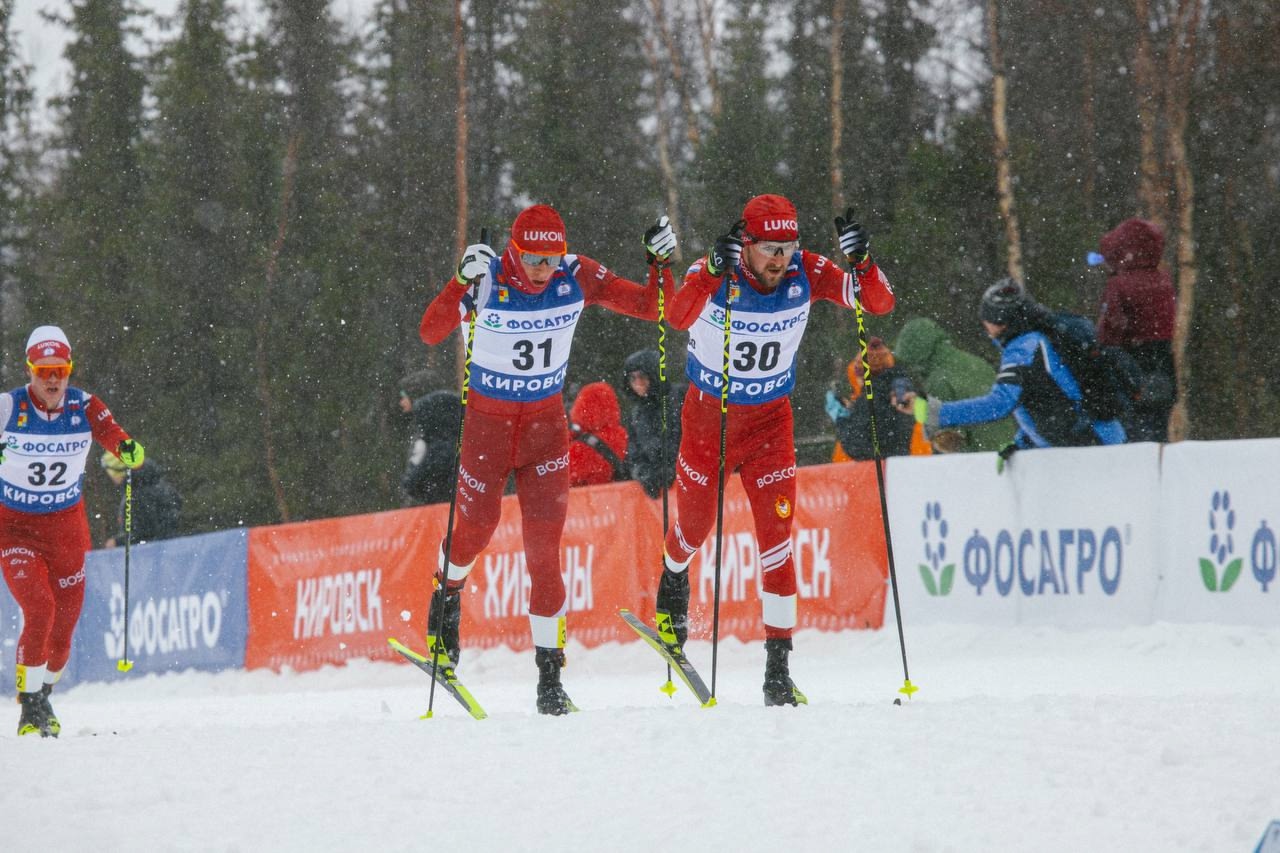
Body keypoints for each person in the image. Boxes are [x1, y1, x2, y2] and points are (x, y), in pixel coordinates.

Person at [417, 204, 676, 714]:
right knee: (475, 530)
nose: (542, 269)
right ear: (513, 250)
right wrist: (458, 283)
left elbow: (654, 307)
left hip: (544, 433)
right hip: (488, 433)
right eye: (533, 258)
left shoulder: (575, 273)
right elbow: (430, 331)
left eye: (551, 258)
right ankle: (445, 596)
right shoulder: (487, 277)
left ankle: (550, 678)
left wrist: (659, 263)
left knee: (545, 552)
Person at [653, 194, 894, 706]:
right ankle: (673, 580)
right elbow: (675, 316)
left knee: (777, 541)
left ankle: (778, 671)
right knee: (694, 527)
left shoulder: (808, 271)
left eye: (788, 247)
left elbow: (877, 303)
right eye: (769, 248)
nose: (780, 259)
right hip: (709, 420)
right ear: (746, 243)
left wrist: (864, 261)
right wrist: (710, 272)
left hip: (769, 423)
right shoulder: (715, 269)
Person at [0, 326, 145, 737]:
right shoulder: (8, 407)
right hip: (15, 529)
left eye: (60, 371)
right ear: (29, 370)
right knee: (39, 609)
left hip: (65, 528)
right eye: (43, 371)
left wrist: (127, 449)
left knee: (64, 627)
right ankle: (29, 706)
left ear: (69, 370)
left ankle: (44, 695)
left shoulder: (84, 405)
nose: (52, 380)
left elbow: (112, 434)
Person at [900, 280, 1125, 466]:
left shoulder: (1023, 349)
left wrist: (934, 413)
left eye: (986, 320)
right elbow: (1048, 397)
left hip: (1092, 448)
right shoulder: (1035, 339)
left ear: (1000, 322)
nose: (985, 327)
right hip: (1091, 443)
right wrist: (1023, 442)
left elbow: (999, 404)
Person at [1092, 217, 1176, 442]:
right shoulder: (1163, 279)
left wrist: (1098, 349)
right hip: (1163, 364)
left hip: (1131, 364)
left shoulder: (1119, 284)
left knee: (1133, 434)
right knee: (1157, 430)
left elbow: (1111, 329)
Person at [892, 317, 1014, 453]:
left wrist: (920, 411)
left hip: (983, 456)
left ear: (916, 357)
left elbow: (948, 441)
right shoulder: (976, 363)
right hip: (1012, 448)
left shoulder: (938, 381)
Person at [824, 337, 929, 460]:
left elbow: (857, 447)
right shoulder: (902, 389)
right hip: (912, 461)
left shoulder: (872, 398)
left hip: (888, 467)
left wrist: (841, 419)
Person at [621, 349, 683, 498]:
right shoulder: (636, 413)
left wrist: (675, 469)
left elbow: (694, 440)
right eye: (632, 378)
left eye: (642, 376)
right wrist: (645, 475)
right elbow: (634, 454)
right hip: (660, 496)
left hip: (687, 482)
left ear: (654, 376)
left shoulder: (680, 398)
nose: (637, 383)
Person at [101, 453, 182, 547]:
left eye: (111, 474)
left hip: (157, 552)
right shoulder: (156, 484)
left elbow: (144, 533)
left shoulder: (137, 495)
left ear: (119, 472)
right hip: (173, 548)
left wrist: (117, 542)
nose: (112, 478)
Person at [400, 390, 462, 506]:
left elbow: (431, 463)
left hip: (437, 504)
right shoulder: (452, 442)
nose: (401, 402)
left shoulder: (439, 447)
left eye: (403, 397)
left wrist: (411, 482)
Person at [567, 381, 628, 487]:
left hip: (587, 497)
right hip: (619, 495)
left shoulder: (582, 448)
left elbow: (560, 479)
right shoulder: (623, 436)